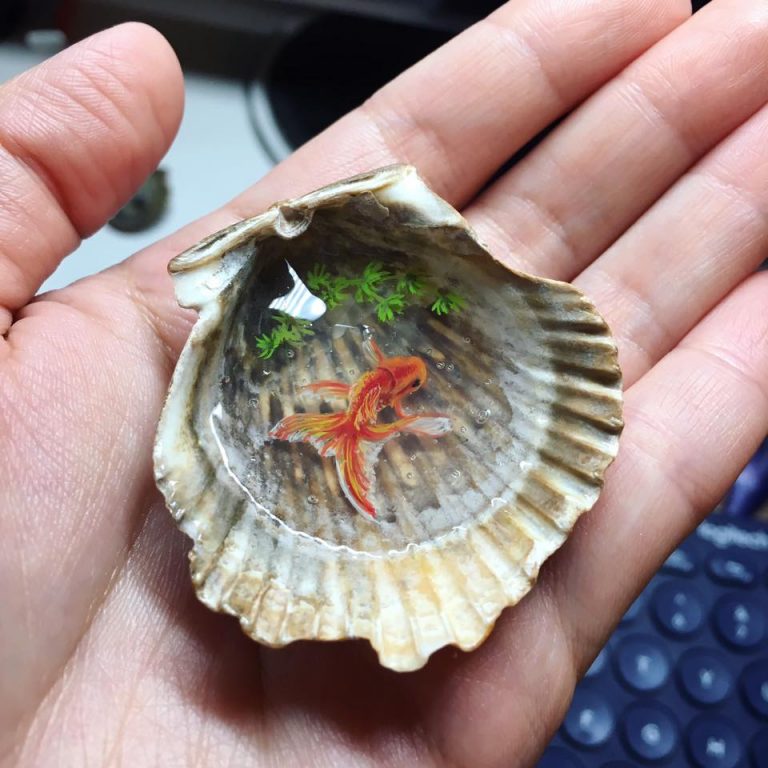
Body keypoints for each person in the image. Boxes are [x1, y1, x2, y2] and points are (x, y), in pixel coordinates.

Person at [1, 1, 766, 765]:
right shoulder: (367, 390)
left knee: (365, 427)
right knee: (355, 427)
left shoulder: (385, 386)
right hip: (345, 409)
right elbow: (366, 379)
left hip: (370, 399)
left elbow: (376, 377)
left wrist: (396, 409)